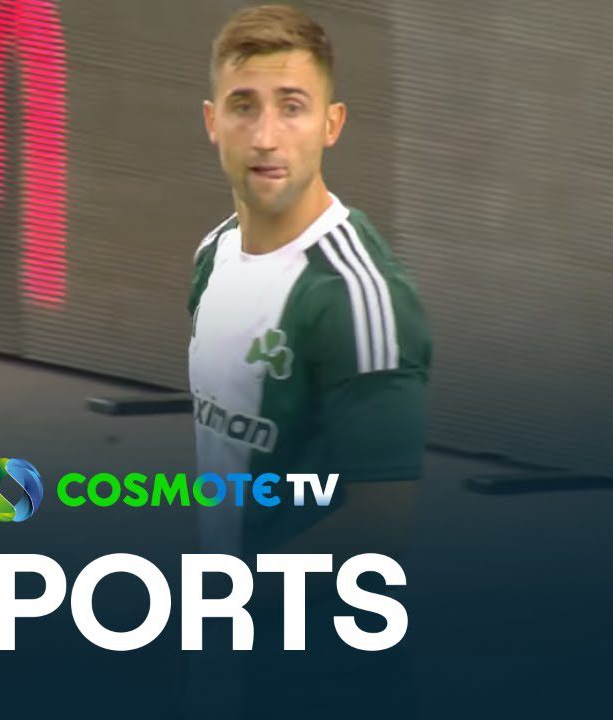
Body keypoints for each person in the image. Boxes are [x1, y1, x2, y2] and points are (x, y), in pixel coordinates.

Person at [183, 5, 430, 717]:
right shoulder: (213, 255)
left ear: (331, 123)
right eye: (244, 106)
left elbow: (380, 526)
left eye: (292, 107)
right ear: (212, 122)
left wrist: (220, 601)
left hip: (323, 684)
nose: (266, 136)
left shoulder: (359, 299)